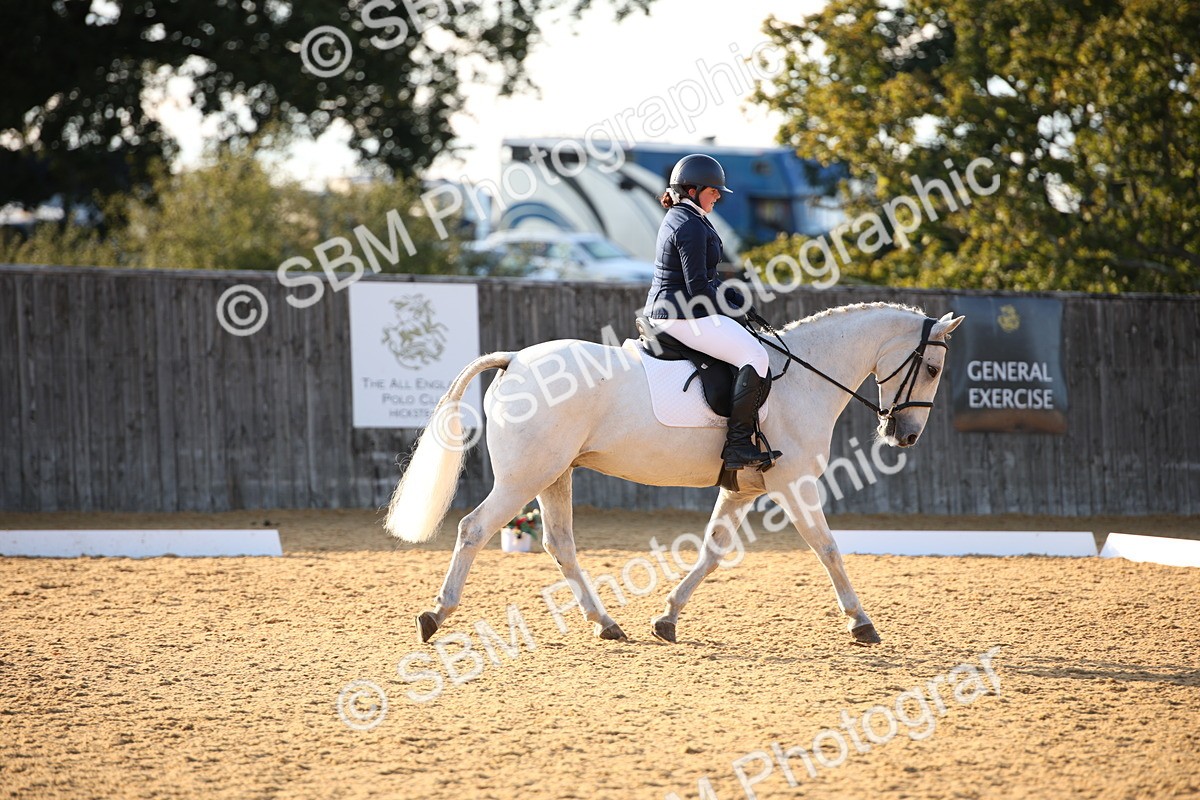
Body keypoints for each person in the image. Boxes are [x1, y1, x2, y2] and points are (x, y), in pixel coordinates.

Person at [643, 153, 782, 473]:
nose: (719, 195)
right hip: (680, 314)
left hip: (680, 309)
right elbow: (697, 289)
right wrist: (732, 310)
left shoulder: (688, 218)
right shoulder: (689, 225)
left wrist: (732, 296)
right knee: (755, 355)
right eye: (713, 190)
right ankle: (737, 445)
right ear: (692, 190)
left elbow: (708, 278)